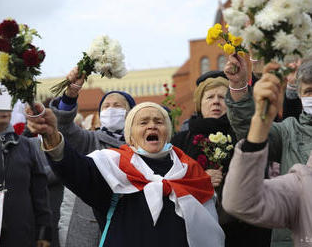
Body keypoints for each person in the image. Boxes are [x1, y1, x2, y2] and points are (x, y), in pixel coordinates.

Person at [26, 101, 225, 247]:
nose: (152, 125)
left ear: (168, 131)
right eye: (143, 122)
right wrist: (51, 136)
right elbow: (75, 170)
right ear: (130, 135)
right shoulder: (112, 166)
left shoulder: (191, 171)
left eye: (159, 121)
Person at [28, 66, 136, 247]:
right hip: (88, 227)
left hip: (130, 221)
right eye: (106, 106)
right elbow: (64, 128)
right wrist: (70, 96)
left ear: (130, 113)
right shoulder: (91, 140)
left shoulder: (140, 146)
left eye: (117, 105)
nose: (111, 109)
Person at [171, 74, 271, 246]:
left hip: (245, 229)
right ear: (199, 104)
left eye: (223, 97)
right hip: (196, 230)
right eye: (209, 97)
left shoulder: (244, 135)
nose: (216, 102)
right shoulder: (180, 141)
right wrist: (200, 180)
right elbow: (168, 183)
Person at [224, 54, 312, 246]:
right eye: (309, 91)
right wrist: (239, 86)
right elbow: (250, 129)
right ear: (299, 95)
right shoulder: (290, 132)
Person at [0, 110, 52, 247]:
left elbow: (40, 194)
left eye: (6, 104)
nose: (2, 110)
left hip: (23, 237)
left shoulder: (26, 146)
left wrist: (43, 232)